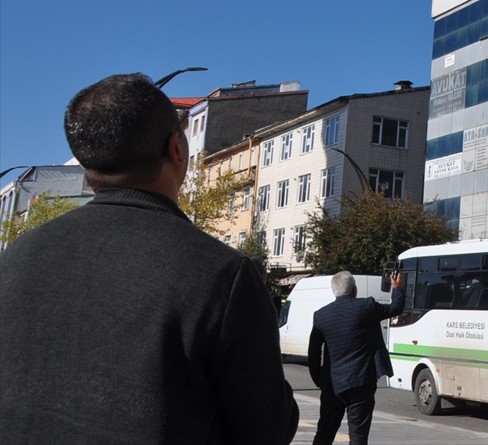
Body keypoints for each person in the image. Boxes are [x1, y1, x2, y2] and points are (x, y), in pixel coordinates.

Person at [0, 73, 299, 444]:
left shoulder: (18, 257)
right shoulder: (222, 276)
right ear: (177, 149)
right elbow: (266, 428)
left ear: (84, 159)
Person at [309, 270, 405, 445]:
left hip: (332, 384)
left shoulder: (321, 315)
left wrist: (320, 380)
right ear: (354, 289)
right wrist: (397, 288)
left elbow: (313, 354)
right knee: (358, 437)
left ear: (334, 291)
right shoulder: (366, 307)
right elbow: (395, 308)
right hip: (361, 382)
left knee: (324, 433)